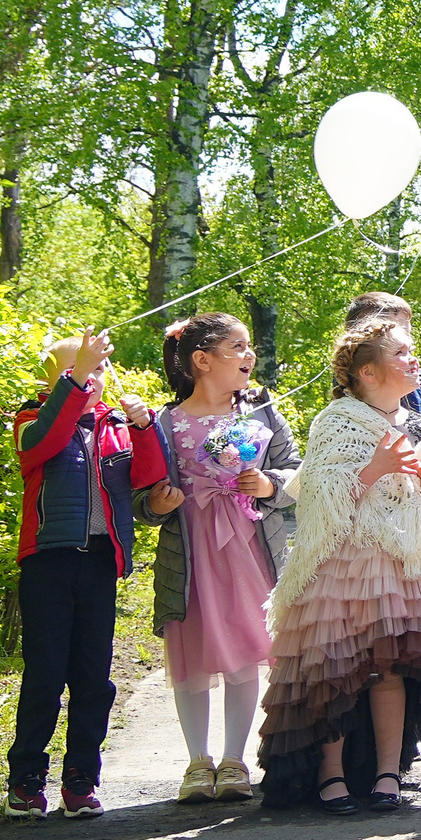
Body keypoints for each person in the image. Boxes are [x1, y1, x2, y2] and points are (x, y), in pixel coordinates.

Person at [259, 319, 421, 813]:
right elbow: (318, 498)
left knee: (390, 669)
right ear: (369, 373)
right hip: (347, 566)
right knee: (338, 668)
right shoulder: (336, 421)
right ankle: (330, 775)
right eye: (402, 353)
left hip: (408, 569)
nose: (414, 359)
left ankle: (388, 772)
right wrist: (375, 468)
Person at [138, 314, 300, 805]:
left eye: (249, 346)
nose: (249, 356)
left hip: (249, 545)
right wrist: (155, 504)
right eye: (238, 347)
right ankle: (196, 761)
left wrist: (269, 484)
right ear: (202, 361)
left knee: (246, 645)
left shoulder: (263, 413)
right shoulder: (165, 422)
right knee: (191, 650)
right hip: (190, 551)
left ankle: (234, 759)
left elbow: (296, 471)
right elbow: (141, 490)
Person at [5, 331, 167, 819]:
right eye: (76, 372)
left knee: (94, 679)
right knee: (45, 675)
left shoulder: (114, 427)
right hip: (48, 561)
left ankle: (80, 779)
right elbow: (45, 443)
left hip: (99, 562)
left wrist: (144, 427)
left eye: (97, 370)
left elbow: (148, 477)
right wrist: (74, 387)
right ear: (52, 380)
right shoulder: (31, 420)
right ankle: (27, 780)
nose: (90, 380)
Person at [343, 291, 421, 438]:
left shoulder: (412, 393)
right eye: (397, 348)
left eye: (407, 336)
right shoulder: (345, 418)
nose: (412, 358)